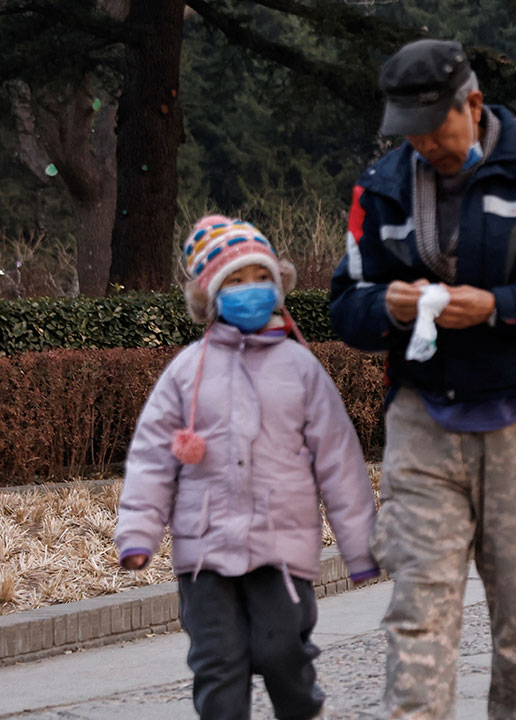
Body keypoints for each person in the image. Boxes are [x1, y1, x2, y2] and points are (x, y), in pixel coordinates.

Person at [329, 40, 516, 718]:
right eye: (410, 131)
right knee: (417, 620)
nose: (423, 143)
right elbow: (346, 302)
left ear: (474, 104)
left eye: (436, 126)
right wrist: (387, 308)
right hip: (423, 420)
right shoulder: (379, 187)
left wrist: (499, 307)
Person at [116, 216, 378, 720]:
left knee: (284, 655)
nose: (250, 291)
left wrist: (360, 548)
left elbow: (339, 461)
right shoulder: (186, 371)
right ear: (210, 296)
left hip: (281, 549)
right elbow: (152, 458)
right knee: (218, 666)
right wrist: (138, 532)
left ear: (278, 286)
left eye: (261, 278)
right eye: (234, 281)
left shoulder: (301, 368)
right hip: (205, 552)